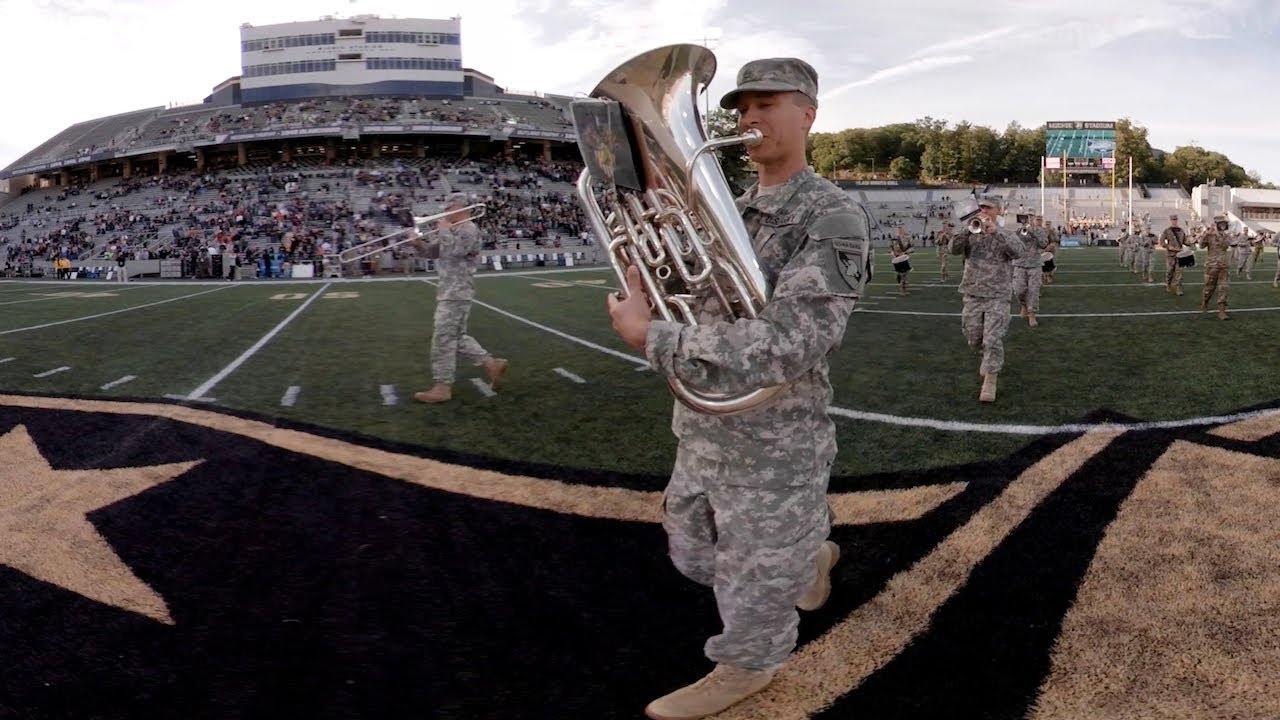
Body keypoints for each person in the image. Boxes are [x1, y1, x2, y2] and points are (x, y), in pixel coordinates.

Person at [606, 56, 871, 720]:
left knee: (748, 579)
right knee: (692, 552)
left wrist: (653, 338)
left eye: (767, 105)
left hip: (774, 441)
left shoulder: (833, 215)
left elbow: (796, 343)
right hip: (702, 424)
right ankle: (806, 554)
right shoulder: (729, 207)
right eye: (742, 109)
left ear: (807, 113)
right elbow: (697, 299)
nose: (749, 119)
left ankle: (746, 665)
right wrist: (651, 277)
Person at [412, 193, 508, 403]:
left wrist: (444, 231)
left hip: (458, 291)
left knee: (442, 338)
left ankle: (442, 386)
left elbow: (457, 251)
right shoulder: (453, 229)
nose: (445, 211)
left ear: (461, 207)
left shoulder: (469, 229)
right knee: (456, 336)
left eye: (448, 207)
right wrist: (417, 243)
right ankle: (491, 364)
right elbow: (433, 252)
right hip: (449, 290)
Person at [950, 196, 1025, 402]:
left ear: (998, 211)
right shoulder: (970, 230)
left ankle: (990, 380)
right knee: (974, 338)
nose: (983, 210)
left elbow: (1019, 252)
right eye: (981, 207)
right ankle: (985, 356)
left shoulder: (1006, 234)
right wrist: (966, 229)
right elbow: (953, 249)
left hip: (998, 295)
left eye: (988, 207)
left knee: (992, 339)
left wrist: (997, 232)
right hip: (973, 293)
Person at [1011, 213, 1049, 327]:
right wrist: (1017, 232)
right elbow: (1011, 243)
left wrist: (1033, 233)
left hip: (1034, 264)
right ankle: (1023, 305)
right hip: (1019, 263)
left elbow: (1043, 244)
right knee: (1018, 290)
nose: (1028, 219)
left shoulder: (1040, 230)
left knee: (1033, 290)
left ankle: (1032, 314)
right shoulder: (1017, 230)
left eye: (1030, 217)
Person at [1199, 214, 1232, 320]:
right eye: (1221, 223)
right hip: (1211, 266)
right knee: (1209, 288)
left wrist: (1218, 235)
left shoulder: (1226, 236)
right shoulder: (1209, 235)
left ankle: (1222, 311)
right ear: (1217, 224)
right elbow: (1201, 245)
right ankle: (1205, 302)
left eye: (1224, 223)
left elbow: (1225, 245)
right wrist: (1206, 235)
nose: (1223, 225)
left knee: (1224, 288)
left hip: (1223, 266)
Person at [1159, 214, 1188, 296]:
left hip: (1180, 254)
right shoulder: (1167, 231)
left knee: (1179, 272)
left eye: (1175, 219)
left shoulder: (1181, 231)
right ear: (1170, 220)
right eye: (1173, 220)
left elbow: (1185, 241)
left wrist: (1191, 241)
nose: (1174, 221)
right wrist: (1168, 246)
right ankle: (1168, 283)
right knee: (1169, 271)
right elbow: (1161, 241)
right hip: (1171, 255)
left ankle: (1178, 288)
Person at [890, 226, 914, 294]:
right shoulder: (893, 238)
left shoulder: (908, 237)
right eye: (898, 228)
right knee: (900, 274)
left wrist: (905, 253)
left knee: (904, 274)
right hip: (896, 258)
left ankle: (903, 290)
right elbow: (890, 248)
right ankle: (901, 283)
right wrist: (893, 254)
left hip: (905, 258)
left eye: (901, 228)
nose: (900, 229)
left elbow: (912, 248)